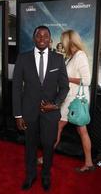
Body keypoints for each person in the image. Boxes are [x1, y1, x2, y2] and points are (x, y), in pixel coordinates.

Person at [12, 25, 69, 191]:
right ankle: (30, 176)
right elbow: (16, 87)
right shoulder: (23, 58)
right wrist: (17, 115)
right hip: (28, 112)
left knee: (48, 145)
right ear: (34, 38)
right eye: (39, 35)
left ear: (50, 40)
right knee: (30, 146)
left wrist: (56, 104)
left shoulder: (58, 59)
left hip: (51, 114)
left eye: (46, 36)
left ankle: (46, 175)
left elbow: (64, 87)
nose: (42, 38)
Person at [38, 29, 95, 172]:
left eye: (63, 41)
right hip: (70, 99)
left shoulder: (80, 56)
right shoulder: (72, 56)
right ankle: (88, 163)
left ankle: (47, 157)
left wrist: (65, 78)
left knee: (58, 127)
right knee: (81, 131)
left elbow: (87, 80)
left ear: (69, 41)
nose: (62, 44)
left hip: (73, 101)